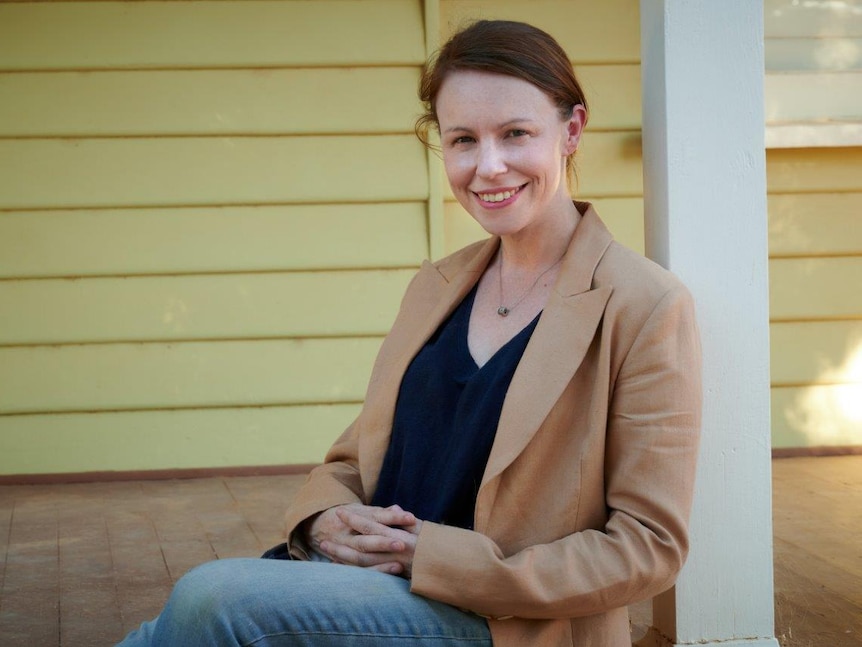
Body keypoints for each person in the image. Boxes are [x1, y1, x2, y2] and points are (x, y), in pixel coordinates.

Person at [117, 19, 701, 647]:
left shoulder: (643, 304)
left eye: (515, 134)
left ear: (572, 131)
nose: (488, 165)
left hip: (499, 623)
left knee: (214, 602)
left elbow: (648, 547)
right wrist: (320, 522)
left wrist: (439, 559)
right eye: (463, 140)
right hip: (363, 588)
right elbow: (356, 458)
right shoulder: (438, 286)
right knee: (171, 629)